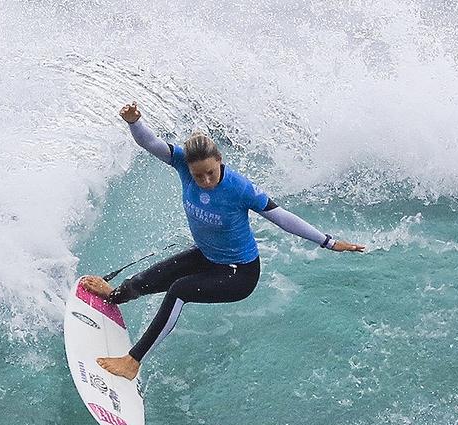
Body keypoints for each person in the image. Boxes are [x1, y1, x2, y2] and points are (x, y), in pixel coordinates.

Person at [82, 102, 365, 380]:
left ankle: (133, 362)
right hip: (207, 255)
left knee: (179, 290)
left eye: (211, 172)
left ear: (220, 161)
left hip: (238, 273)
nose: (205, 180)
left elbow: (282, 218)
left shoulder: (239, 189)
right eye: (198, 175)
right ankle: (114, 296)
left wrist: (328, 242)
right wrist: (134, 122)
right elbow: (151, 143)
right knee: (142, 282)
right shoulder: (182, 164)